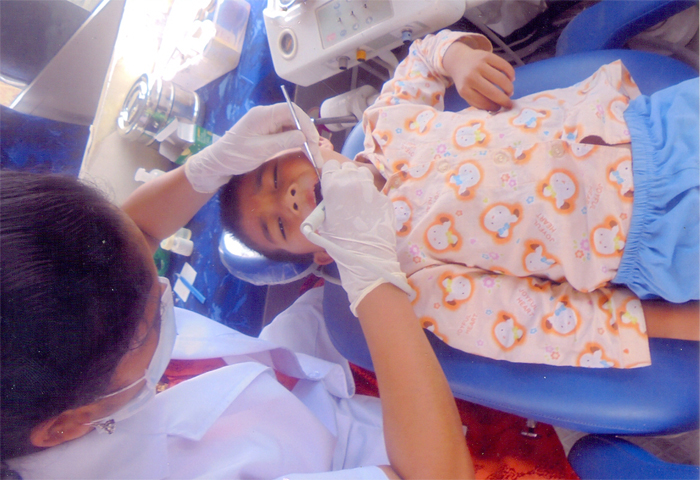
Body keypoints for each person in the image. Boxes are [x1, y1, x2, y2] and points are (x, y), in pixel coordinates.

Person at [0, 103, 474, 479]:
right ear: (65, 425)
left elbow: (134, 234)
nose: (164, 291)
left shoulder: (71, 332)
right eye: (148, 323)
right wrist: (370, 271)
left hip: (316, 388)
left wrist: (209, 166)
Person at [218, 29, 699, 369]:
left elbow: (423, 55)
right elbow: (538, 322)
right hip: (658, 236)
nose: (289, 201)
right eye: (280, 225)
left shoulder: (385, 123)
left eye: (276, 178)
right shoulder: (413, 280)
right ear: (322, 254)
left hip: (651, 126)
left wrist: (458, 59)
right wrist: (673, 322)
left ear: (312, 142)